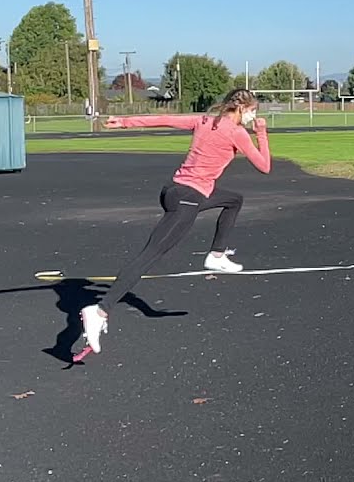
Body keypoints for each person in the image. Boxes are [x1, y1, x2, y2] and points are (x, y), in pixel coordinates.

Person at [79, 88, 272, 355]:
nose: (253, 117)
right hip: (188, 199)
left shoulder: (203, 120)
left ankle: (216, 255)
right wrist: (261, 132)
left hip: (174, 191)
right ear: (241, 109)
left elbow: (163, 119)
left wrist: (124, 121)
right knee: (150, 255)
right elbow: (264, 166)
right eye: (252, 112)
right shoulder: (237, 132)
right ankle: (100, 310)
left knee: (233, 200)